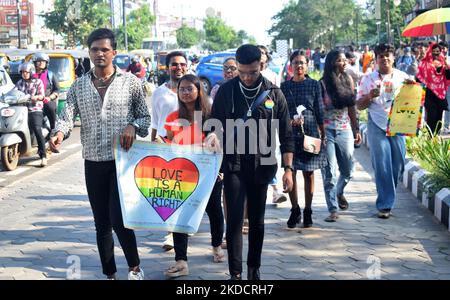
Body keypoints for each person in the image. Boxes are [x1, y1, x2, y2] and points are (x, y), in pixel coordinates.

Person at [49, 28, 150, 280]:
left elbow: (145, 119)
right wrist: (58, 134)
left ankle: (135, 268)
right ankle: (110, 273)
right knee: (101, 223)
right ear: (89, 52)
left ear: (114, 52)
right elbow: (66, 117)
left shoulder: (131, 83)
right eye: (95, 49)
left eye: (105, 49)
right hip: (93, 161)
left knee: (119, 219)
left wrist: (132, 126)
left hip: (122, 162)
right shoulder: (78, 86)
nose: (99, 54)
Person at [209, 44, 294, 280]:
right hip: (233, 164)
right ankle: (235, 273)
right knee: (234, 220)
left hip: (262, 164)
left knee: (257, 221)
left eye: (253, 72)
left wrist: (288, 169)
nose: (247, 77)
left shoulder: (274, 93)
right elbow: (213, 123)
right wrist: (213, 135)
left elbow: (286, 134)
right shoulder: (226, 91)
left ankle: (253, 269)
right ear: (236, 67)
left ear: (261, 66)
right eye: (242, 72)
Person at [162, 74, 225, 278]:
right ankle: (181, 260)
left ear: (199, 91)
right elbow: (168, 144)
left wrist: (220, 169)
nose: (186, 92)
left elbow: (220, 144)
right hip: (182, 175)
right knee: (180, 215)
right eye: (182, 89)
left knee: (214, 210)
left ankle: (216, 245)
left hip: (209, 175)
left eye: (190, 88)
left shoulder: (210, 115)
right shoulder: (173, 117)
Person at [357, 43, 411, 219]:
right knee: (382, 164)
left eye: (388, 55)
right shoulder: (367, 79)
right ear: (376, 59)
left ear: (394, 58)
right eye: (381, 56)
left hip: (398, 124)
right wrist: (369, 96)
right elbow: (359, 105)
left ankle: (389, 193)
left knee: (398, 164)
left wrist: (413, 87)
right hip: (377, 123)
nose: (385, 58)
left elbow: (416, 98)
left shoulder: (403, 77)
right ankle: (385, 204)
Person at [280, 50, 327, 229]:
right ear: (290, 66)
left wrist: (323, 134)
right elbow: (280, 112)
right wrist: (290, 121)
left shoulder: (314, 85)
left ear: (307, 65)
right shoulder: (284, 87)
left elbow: (320, 110)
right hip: (290, 135)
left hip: (310, 133)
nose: (299, 66)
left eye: (302, 63)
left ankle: (308, 210)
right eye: (296, 63)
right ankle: (294, 209)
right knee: (290, 171)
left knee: (309, 172)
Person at [150, 50, 189, 251]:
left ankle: (185, 226)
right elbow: (155, 124)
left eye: (182, 64)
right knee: (170, 191)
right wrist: (152, 150)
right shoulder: (158, 93)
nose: (178, 67)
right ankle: (171, 233)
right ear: (167, 67)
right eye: (174, 64)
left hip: (190, 148)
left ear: (187, 66)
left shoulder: (195, 89)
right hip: (166, 148)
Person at [320, 50, 361, 222]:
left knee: (348, 170)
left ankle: (339, 192)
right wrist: (319, 132)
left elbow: (352, 107)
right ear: (331, 63)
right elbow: (318, 109)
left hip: (344, 130)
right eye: (339, 60)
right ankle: (332, 210)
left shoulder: (348, 80)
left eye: (345, 60)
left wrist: (356, 129)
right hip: (327, 130)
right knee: (329, 172)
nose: (343, 63)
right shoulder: (322, 84)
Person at [258, 45, 286, 204]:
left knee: (272, 154)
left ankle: (275, 188)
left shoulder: (272, 75)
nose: (261, 56)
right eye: (258, 53)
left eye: (263, 53)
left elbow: (277, 98)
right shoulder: (248, 75)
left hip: (270, 120)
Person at [15, 62, 47, 167]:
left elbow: (42, 96)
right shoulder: (19, 83)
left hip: (35, 109)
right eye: (23, 72)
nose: (24, 74)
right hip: (22, 110)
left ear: (31, 72)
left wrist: (36, 97)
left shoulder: (38, 82)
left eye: (26, 72)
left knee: (37, 129)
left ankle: (43, 156)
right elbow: (14, 93)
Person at [416, 42, 449, 135]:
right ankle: (430, 138)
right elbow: (418, 77)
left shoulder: (443, 63)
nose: (436, 53)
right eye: (434, 51)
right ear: (430, 51)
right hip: (429, 93)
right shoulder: (424, 63)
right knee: (431, 117)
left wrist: (446, 65)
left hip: (441, 95)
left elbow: (448, 77)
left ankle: (436, 138)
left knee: (439, 118)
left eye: (438, 51)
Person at [32, 52, 59, 130]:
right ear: (35, 63)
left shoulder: (50, 75)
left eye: (43, 61)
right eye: (39, 61)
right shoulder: (30, 75)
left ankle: (53, 129)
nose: (41, 63)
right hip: (33, 102)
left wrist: (49, 98)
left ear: (46, 63)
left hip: (46, 101)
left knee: (50, 107)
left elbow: (57, 90)